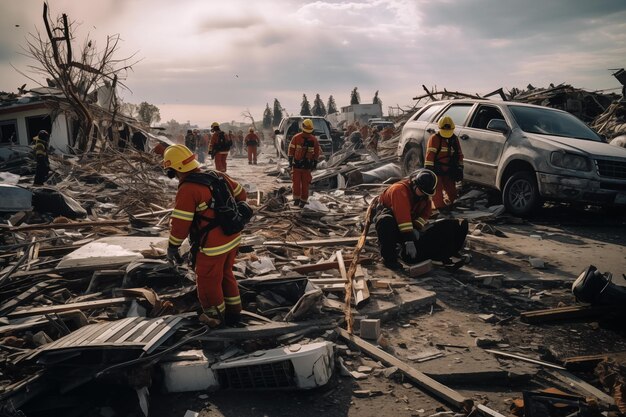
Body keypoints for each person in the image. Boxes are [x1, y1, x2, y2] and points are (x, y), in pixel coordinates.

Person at [163, 144, 247, 327]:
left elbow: (180, 225)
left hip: (212, 246)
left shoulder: (188, 188)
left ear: (174, 169)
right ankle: (235, 314)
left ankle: (217, 320)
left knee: (208, 282)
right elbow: (242, 194)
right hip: (233, 238)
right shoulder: (217, 175)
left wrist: (172, 247)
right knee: (226, 274)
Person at [373, 169, 437, 270]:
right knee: (386, 222)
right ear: (414, 184)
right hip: (390, 216)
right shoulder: (399, 190)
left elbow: (426, 213)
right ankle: (389, 259)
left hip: (407, 221)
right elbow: (402, 216)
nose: (424, 195)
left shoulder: (425, 195)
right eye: (422, 192)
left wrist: (416, 227)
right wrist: (409, 239)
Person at [424, 116, 464, 210]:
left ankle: (450, 205)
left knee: (452, 192)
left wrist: (460, 168)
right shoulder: (434, 139)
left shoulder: (454, 139)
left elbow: (459, 154)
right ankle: (440, 209)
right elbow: (429, 156)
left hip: (449, 169)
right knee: (437, 193)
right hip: (437, 170)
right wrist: (429, 170)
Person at [288, 118, 320, 208]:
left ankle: (298, 200)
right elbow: (316, 153)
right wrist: (314, 163)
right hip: (305, 166)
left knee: (297, 183)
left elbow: (291, 151)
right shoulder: (313, 139)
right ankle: (302, 201)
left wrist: (290, 162)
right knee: (304, 184)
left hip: (299, 166)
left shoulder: (296, 137)